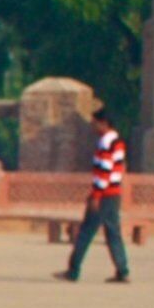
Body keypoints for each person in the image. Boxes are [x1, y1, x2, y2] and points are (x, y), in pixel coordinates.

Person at [59, 93, 133, 284]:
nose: (93, 126)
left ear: (103, 123)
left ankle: (73, 270)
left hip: (104, 194)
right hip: (114, 193)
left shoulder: (106, 142)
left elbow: (105, 171)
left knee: (86, 232)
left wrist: (96, 195)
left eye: (95, 123)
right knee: (112, 232)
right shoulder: (119, 142)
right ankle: (122, 270)